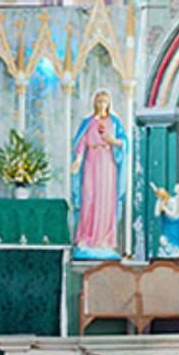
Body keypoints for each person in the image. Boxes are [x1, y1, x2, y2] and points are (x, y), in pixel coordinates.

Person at [71, 89, 128, 258]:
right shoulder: (88, 122)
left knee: (105, 199)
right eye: (99, 101)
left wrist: (113, 141)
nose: (102, 104)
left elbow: (124, 142)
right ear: (94, 103)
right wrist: (78, 159)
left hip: (107, 162)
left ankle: (104, 239)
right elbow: (80, 141)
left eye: (105, 101)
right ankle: (86, 237)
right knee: (89, 197)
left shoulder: (114, 122)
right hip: (91, 160)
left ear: (109, 104)